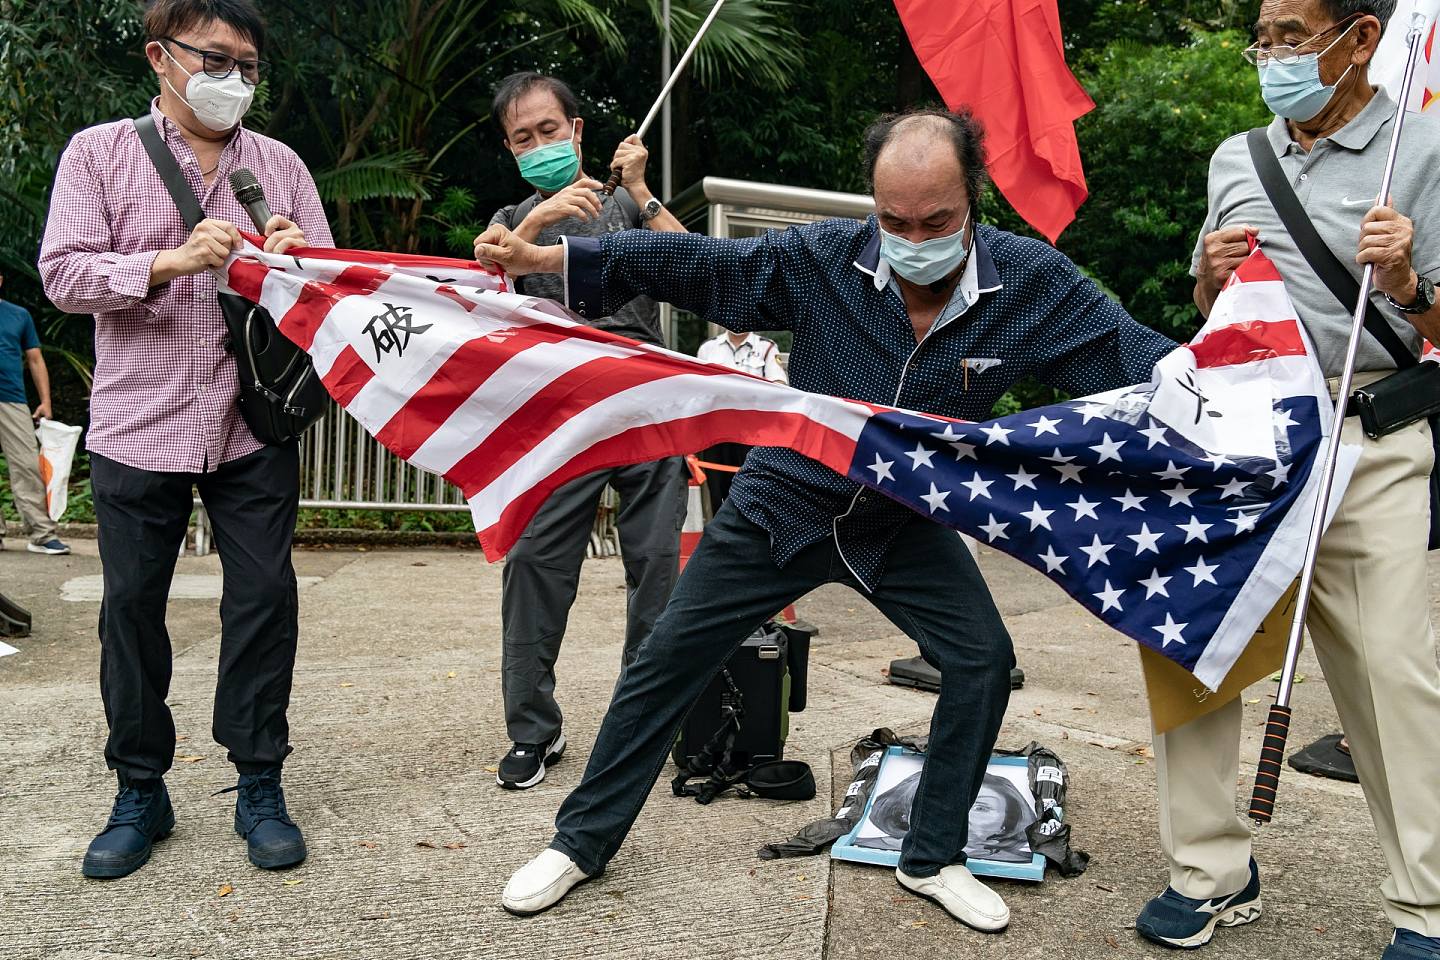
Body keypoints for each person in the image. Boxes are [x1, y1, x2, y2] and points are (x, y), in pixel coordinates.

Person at [475, 107, 1176, 933]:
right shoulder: (823, 257)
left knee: (982, 661)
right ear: (870, 200)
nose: (913, 238)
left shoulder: (1031, 282)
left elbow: (1142, 361)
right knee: (667, 659)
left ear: (975, 197)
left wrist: (1245, 377)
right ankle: (580, 843)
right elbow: (698, 264)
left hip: (901, 516)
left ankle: (933, 855)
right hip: (785, 499)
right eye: (893, 220)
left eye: (937, 221)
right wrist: (550, 256)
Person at [1134, 2, 1440, 955]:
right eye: (1262, 37)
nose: (1271, 55)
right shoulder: (1238, 158)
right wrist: (1207, 280)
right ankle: (1210, 870)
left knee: (1392, 670)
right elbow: (1210, 305)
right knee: (1193, 650)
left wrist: (1410, 289)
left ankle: (1425, 902)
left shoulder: (1424, 152)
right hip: (1243, 447)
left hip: (1372, 443)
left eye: (1292, 35)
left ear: (1358, 39)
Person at [39, 0, 332, 880]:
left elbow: (330, 290)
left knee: (264, 599)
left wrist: (295, 263)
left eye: (248, 65)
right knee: (129, 609)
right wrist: (169, 260)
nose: (234, 80)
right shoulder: (98, 152)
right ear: (160, 57)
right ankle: (139, 788)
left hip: (253, 423)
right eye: (217, 58)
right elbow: (62, 273)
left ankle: (258, 781)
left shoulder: (278, 164)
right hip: (138, 420)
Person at [485, 72, 690, 791]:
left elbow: (695, 265)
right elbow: (483, 281)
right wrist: (537, 221)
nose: (539, 145)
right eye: (523, 138)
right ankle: (532, 731)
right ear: (511, 151)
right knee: (536, 565)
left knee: (656, 571)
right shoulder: (512, 217)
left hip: (646, 402)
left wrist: (641, 187)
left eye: (549, 130)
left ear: (577, 130)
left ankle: (640, 722)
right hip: (558, 416)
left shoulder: (626, 205)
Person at [0, 271, 68, 555]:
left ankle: (41, 533)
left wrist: (45, 401)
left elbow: (35, 359)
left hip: (11, 399)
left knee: (27, 465)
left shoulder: (18, 315)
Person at [695, 327, 787, 504]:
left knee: (750, 489)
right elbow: (698, 388)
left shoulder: (766, 347)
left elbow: (779, 386)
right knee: (717, 491)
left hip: (751, 434)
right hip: (716, 433)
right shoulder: (709, 348)